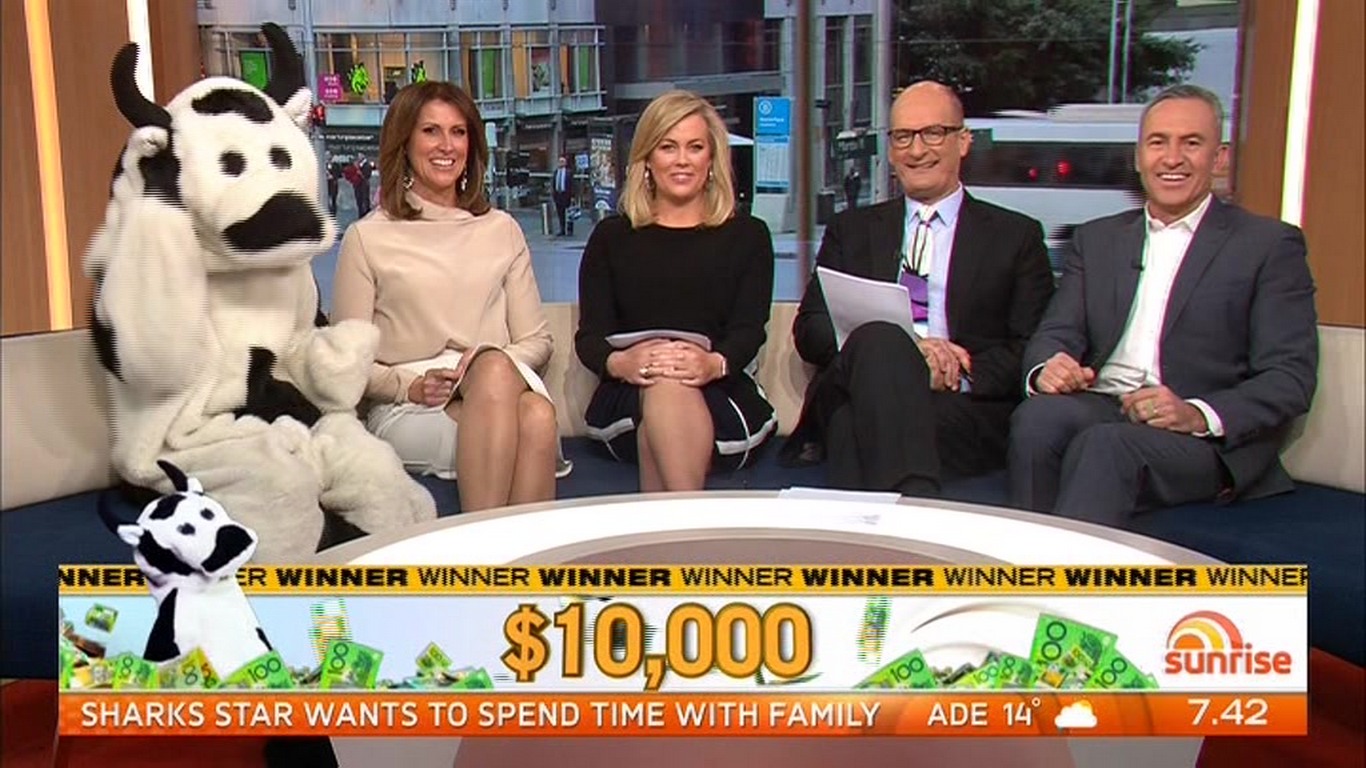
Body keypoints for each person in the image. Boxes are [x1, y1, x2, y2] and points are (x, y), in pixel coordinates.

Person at [1008, 84, 1318, 526]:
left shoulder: (1267, 244)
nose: (1172, 158)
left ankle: (1059, 574)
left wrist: (1196, 413)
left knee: (1107, 445)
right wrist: (1049, 367)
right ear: (1138, 157)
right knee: (1039, 419)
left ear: (1219, 158)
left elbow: (1290, 378)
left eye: (1191, 143)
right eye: (1158, 143)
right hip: (1105, 403)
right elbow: (1056, 333)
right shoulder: (1098, 239)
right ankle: (1028, 560)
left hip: (1201, 438)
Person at [784, 81, 1055, 496]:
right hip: (856, 382)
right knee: (881, 341)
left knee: (851, 424)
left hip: (957, 404)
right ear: (891, 151)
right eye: (903, 137)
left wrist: (957, 369)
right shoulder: (851, 230)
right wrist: (904, 355)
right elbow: (811, 330)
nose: (916, 150)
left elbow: (1030, 345)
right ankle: (914, 502)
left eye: (933, 133)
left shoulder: (1015, 236)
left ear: (963, 141)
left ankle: (877, 526)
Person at [332, 81, 568, 513]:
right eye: (431, 131)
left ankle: (494, 554)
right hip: (412, 402)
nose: (447, 146)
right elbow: (345, 360)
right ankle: (498, 551)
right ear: (404, 142)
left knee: (526, 404)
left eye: (458, 132)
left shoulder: (501, 229)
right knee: (533, 417)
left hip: (498, 383)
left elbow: (537, 341)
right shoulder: (367, 237)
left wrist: (482, 368)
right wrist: (409, 386)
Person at [575, 90, 777, 491]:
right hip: (628, 395)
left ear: (712, 159)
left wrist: (713, 363)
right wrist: (623, 363)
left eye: (695, 147)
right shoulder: (612, 238)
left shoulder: (749, 236)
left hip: (721, 390)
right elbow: (590, 338)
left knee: (666, 401)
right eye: (668, 147)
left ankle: (673, 526)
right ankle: (692, 525)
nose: (682, 160)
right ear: (647, 159)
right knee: (664, 385)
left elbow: (748, 331)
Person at [552, 155, 575, 236]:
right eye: (560, 162)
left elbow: (572, 185)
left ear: (565, 163)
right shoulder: (556, 172)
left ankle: (570, 230)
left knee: (569, 213)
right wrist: (554, 195)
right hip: (558, 195)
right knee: (560, 213)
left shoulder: (569, 172)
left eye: (562, 161)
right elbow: (554, 184)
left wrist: (572, 196)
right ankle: (562, 229)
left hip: (566, 195)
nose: (561, 163)